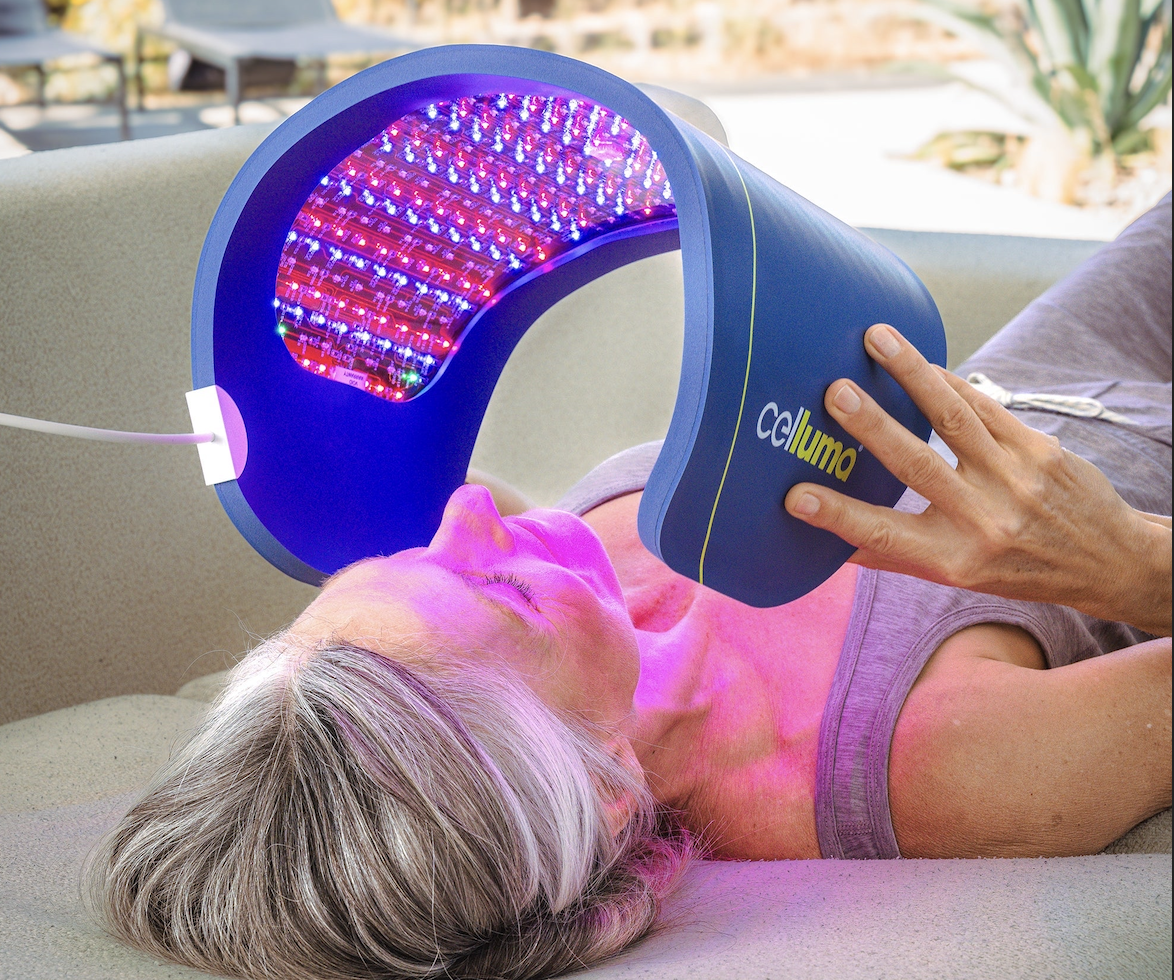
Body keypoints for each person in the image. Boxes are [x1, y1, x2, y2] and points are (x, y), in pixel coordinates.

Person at [86, 197, 1172, 980]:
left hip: (1052, 354)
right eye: (501, 592)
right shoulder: (931, 763)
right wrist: (1128, 560)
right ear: (602, 782)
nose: (475, 511)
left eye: (412, 557)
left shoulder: (571, 619)